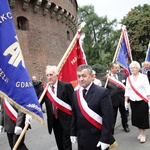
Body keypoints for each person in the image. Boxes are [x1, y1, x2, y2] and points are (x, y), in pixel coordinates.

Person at [70, 64, 116, 150]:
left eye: (84, 76)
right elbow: (74, 114)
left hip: (97, 138)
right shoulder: (76, 93)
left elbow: (108, 117)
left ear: (91, 76)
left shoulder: (102, 92)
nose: (81, 79)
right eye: (79, 76)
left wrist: (105, 139)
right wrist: (73, 132)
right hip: (81, 137)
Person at [42, 65, 74, 150]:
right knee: (60, 144)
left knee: (66, 144)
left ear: (57, 75)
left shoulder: (66, 86)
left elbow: (74, 104)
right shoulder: (45, 89)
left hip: (66, 120)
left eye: (51, 74)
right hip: (54, 121)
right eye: (47, 75)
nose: (49, 77)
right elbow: (38, 102)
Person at [125, 61, 150, 143]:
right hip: (133, 101)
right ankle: (140, 132)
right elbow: (127, 90)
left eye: (134, 67)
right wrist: (126, 101)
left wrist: (149, 100)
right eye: (131, 68)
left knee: (143, 118)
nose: (132, 69)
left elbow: (148, 89)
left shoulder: (143, 77)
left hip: (142, 101)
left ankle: (143, 134)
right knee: (136, 118)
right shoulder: (129, 78)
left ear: (138, 68)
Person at [102, 62, 130, 134]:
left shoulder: (123, 75)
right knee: (113, 115)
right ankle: (111, 129)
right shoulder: (106, 78)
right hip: (112, 100)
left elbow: (127, 87)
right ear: (111, 69)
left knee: (124, 114)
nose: (118, 69)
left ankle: (125, 126)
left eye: (118, 67)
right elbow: (104, 89)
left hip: (122, 99)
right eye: (116, 68)